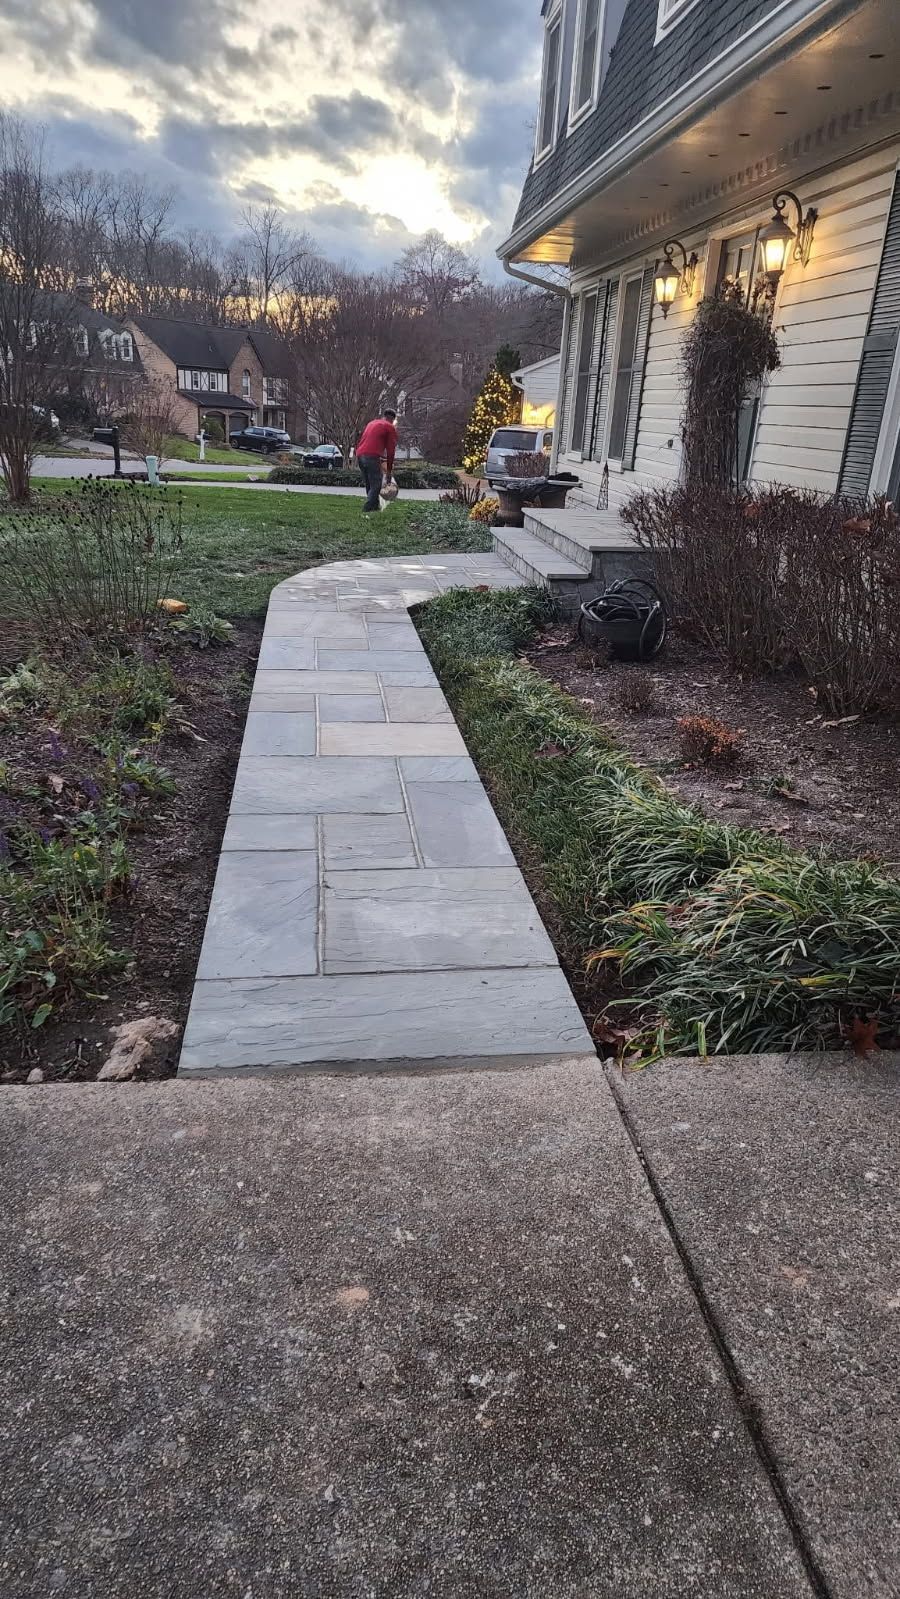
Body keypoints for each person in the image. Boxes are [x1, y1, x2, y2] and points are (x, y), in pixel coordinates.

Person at [356, 407, 398, 513]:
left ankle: (374, 507)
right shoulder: (389, 427)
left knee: (369, 484)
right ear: (392, 419)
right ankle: (367, 508)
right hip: (372, 456)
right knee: (377, 484)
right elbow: (391, 452)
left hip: (360, 454)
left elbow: (369, 441)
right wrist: (388, 471)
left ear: (383, 416)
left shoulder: (372, 423)